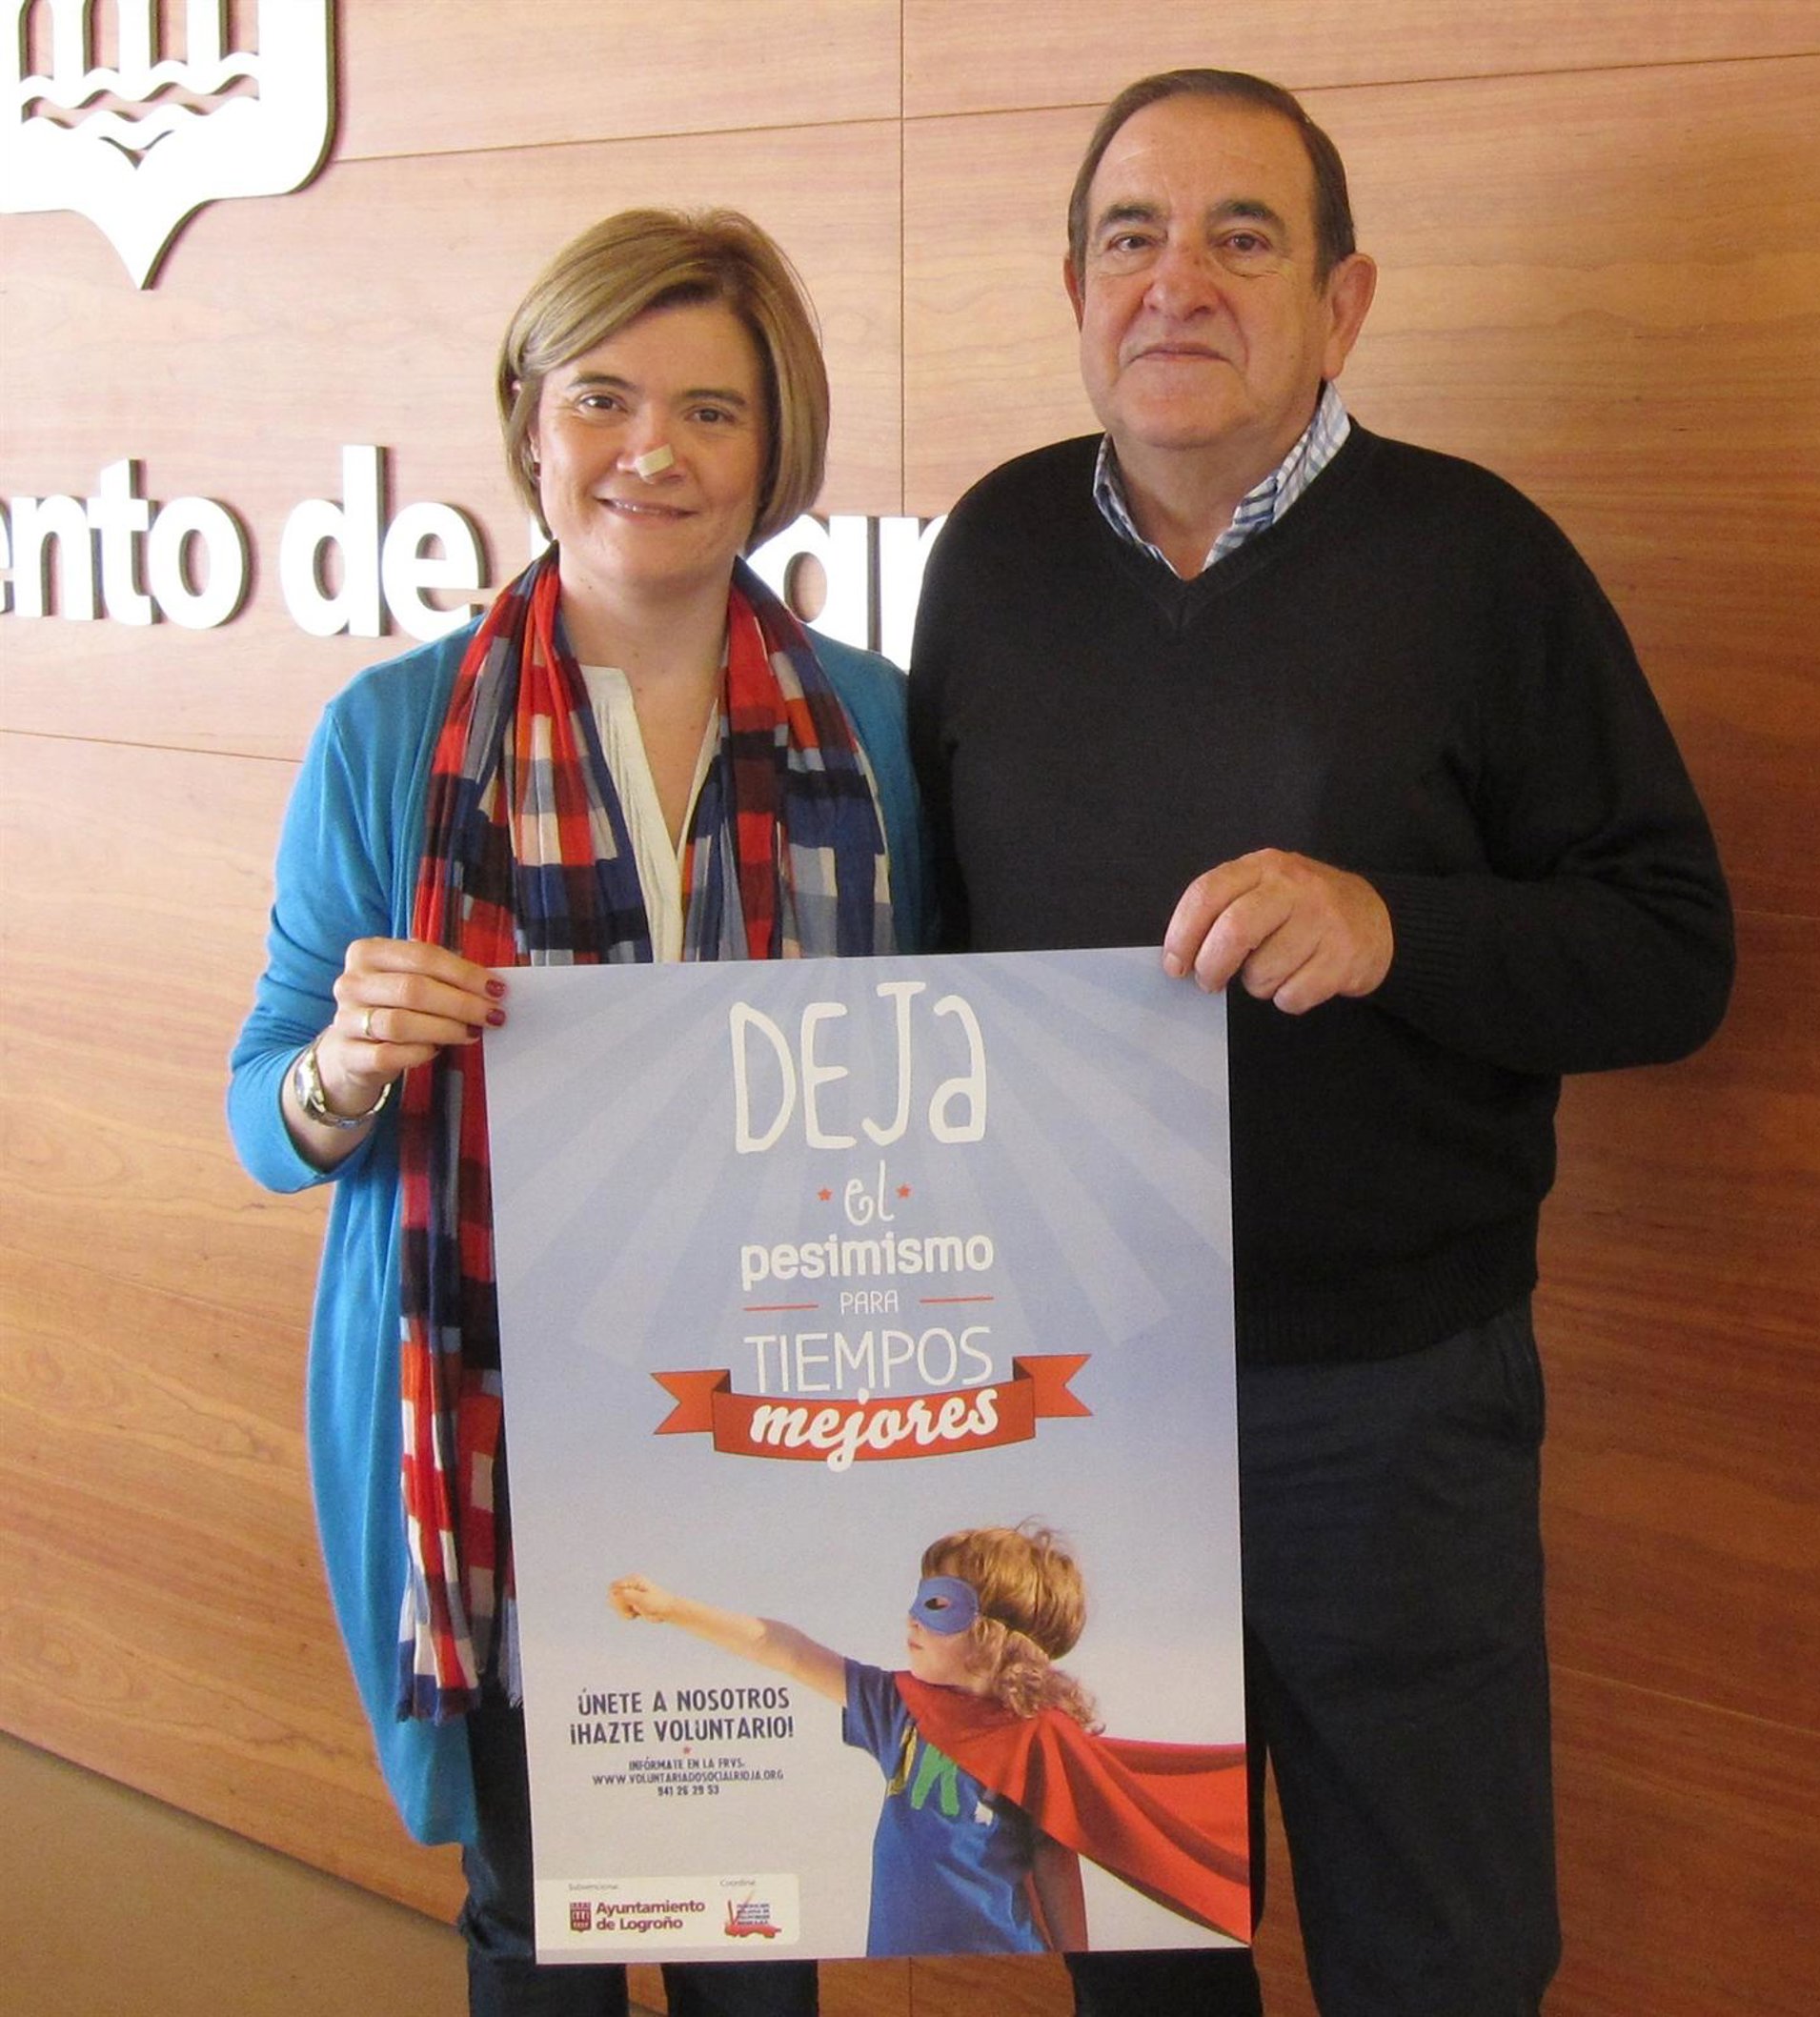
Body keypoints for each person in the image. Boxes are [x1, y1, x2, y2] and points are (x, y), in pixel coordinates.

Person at [906, 69, 1734, 2017]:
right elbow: (934, 950)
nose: (1175, 280)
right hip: (1082, 1407)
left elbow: (1672, 949)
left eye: (1242, 237)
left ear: (1342, 302)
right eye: (1131, 237)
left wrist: (1397, 925)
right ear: (1074, 289)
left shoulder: (1479, 561)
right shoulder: (995, 551)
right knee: (1141, 1956)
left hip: (1392, 1409)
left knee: (1436, 1956)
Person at [229, 207, 926, 2017]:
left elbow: (955, 1068)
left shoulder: (877, 729)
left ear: (775, 446)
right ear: (531, 421)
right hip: (507, 1448)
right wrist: (345, 1063)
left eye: (711, 409)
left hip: (792, 1422)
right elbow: (262, 1109)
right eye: (604, 396)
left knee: (759, 1936)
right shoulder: (393, 732)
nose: (652, 451)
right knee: (537, 1926)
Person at [612, 1523, 1248, 1959]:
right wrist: (674, 1608)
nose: (912, 1617)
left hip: (1003, 1963)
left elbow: (1056, 1855)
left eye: (937, 1604)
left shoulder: (1036, 1735)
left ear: (993, 1634)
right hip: (894, 1960)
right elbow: (782, 1649)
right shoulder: (897, 1706)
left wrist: (1072, 1968)